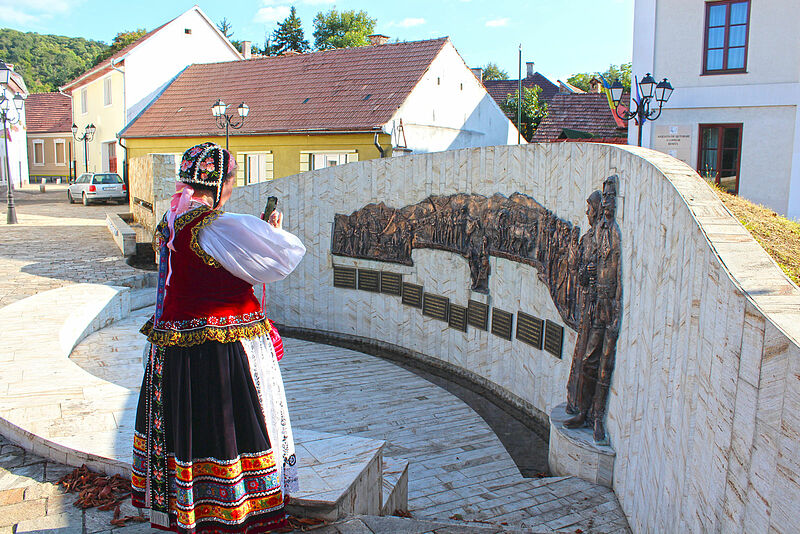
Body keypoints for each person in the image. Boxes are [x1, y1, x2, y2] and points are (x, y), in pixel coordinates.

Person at [131, 142, 306, 533]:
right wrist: (271, 231)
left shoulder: (172, 222)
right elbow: (283, 258)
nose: (232, 188)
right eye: (230, 180)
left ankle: (190, 508)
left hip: (174, 350)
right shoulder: (219, 227)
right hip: (220, 351)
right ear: (219, 183)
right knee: (230, 427)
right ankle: (234, 511)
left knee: (189, 428)